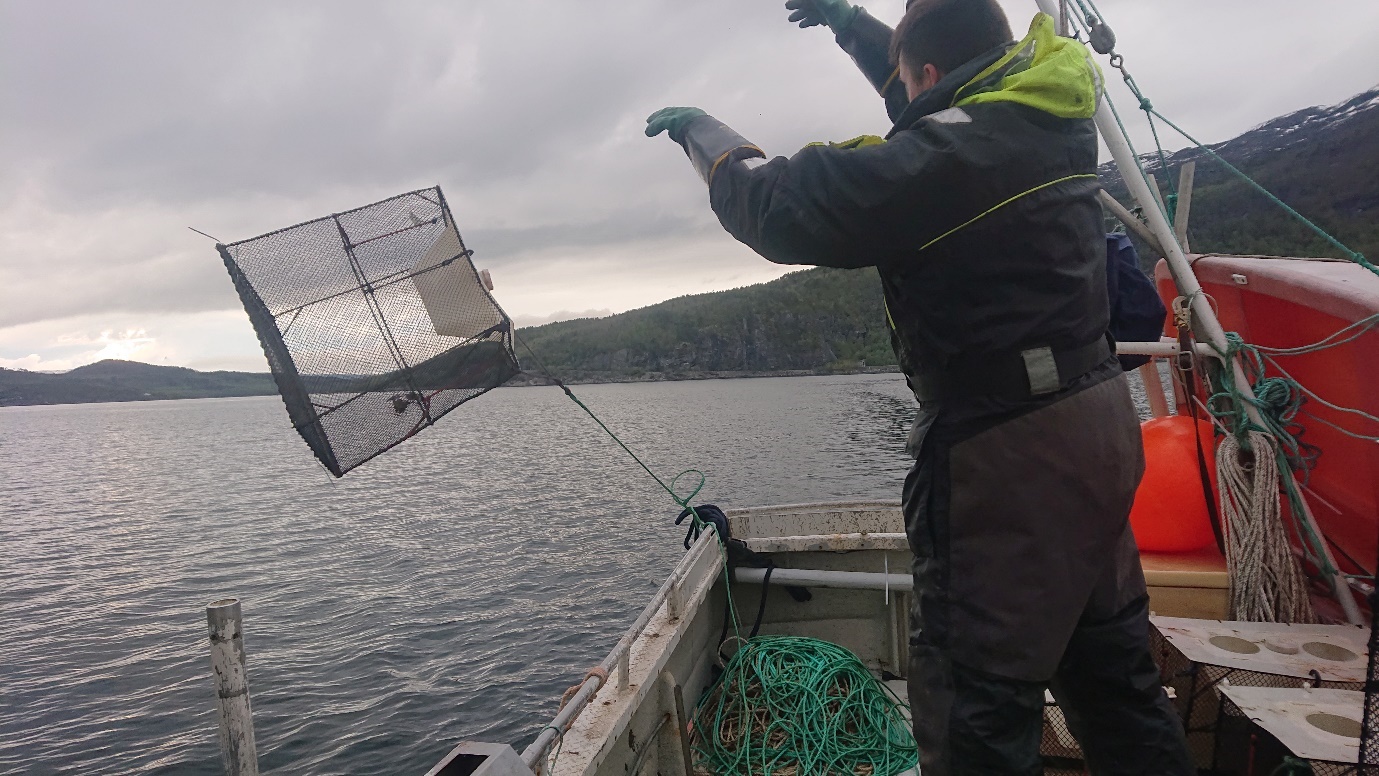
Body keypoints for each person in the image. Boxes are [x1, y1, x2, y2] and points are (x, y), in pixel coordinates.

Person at [644, 0, 1193, 773]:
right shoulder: (1042, 107)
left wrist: (707, 137)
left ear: (929, 72)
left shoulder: (955, 159)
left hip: (1005, 454)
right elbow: (929, 98)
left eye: (908, 76)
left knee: (975, 709)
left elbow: (778, 207)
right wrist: (856, 29)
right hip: (1094, 426)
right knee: (1113, 680)